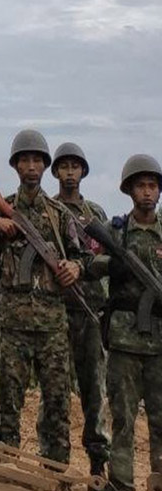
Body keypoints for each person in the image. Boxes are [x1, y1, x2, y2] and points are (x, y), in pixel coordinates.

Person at [0, 129, 87, 465]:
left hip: (53, 324)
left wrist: (74, 268)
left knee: (57, 403)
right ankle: (9, 468)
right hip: (14, 324)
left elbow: (80, 256)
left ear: (44, 166)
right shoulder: (2, 210)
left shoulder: (58, 214)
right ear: (15, 166)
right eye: (24, 160)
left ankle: (56, 470)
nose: (30, 166)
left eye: (36, 160)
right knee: (9, 402)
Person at [96, 154, 162, 491]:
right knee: (122, 420)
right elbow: (88, 262)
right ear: (129, 190)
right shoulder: (115, 231)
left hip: (160, 346)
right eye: (141, 186)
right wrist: (112, 264)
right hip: (123, 341)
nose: (148, 192)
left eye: (153, 186)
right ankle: (120, 484)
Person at [51, 142, 110, 478]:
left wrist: (83, 267)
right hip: (57, 311)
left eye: (76, 166)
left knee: (93, 391)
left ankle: (98, 463)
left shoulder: (96, 215)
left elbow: (107, 259)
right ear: (56, 172)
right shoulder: (49, 210)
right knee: (55, 391)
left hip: (89, 312)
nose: (70, 172)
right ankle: (55, 461)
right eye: (64, 166)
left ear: (83, 172)